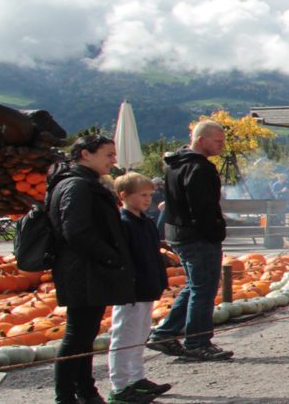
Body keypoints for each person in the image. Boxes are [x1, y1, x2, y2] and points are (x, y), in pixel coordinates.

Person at [48, 136, 135, 404]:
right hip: (83, 270)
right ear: (86, 154)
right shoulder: (76, 186)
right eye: (108, 154)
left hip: (86, 269)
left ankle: (85, 391)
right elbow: (76, 231)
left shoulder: (81, 183)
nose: (113, 160)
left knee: (85, 336)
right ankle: (65, 397)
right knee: (77, 336)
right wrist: (110, 256)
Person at [149, 120, 234, 362]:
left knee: (195, 286)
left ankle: (165, 333)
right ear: (201, 140)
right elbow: (202, 208)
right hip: (198, 236)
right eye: (218, 141)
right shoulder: (199, 168)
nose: (222, 145)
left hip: (179, 234)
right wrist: (215, 231)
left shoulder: (175, 165)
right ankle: (197, 341)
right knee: (204, 289)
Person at [110, 172, 174, 404]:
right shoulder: (122, 223)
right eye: (142, 195)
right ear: (124, 196)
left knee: (140, 335)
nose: (148, 199)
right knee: (124, 336)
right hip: (131, 290)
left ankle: (137, 378)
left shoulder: (145, 221)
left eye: (149, 195)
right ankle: (119, 385)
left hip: (147, 287)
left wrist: (160, 279)